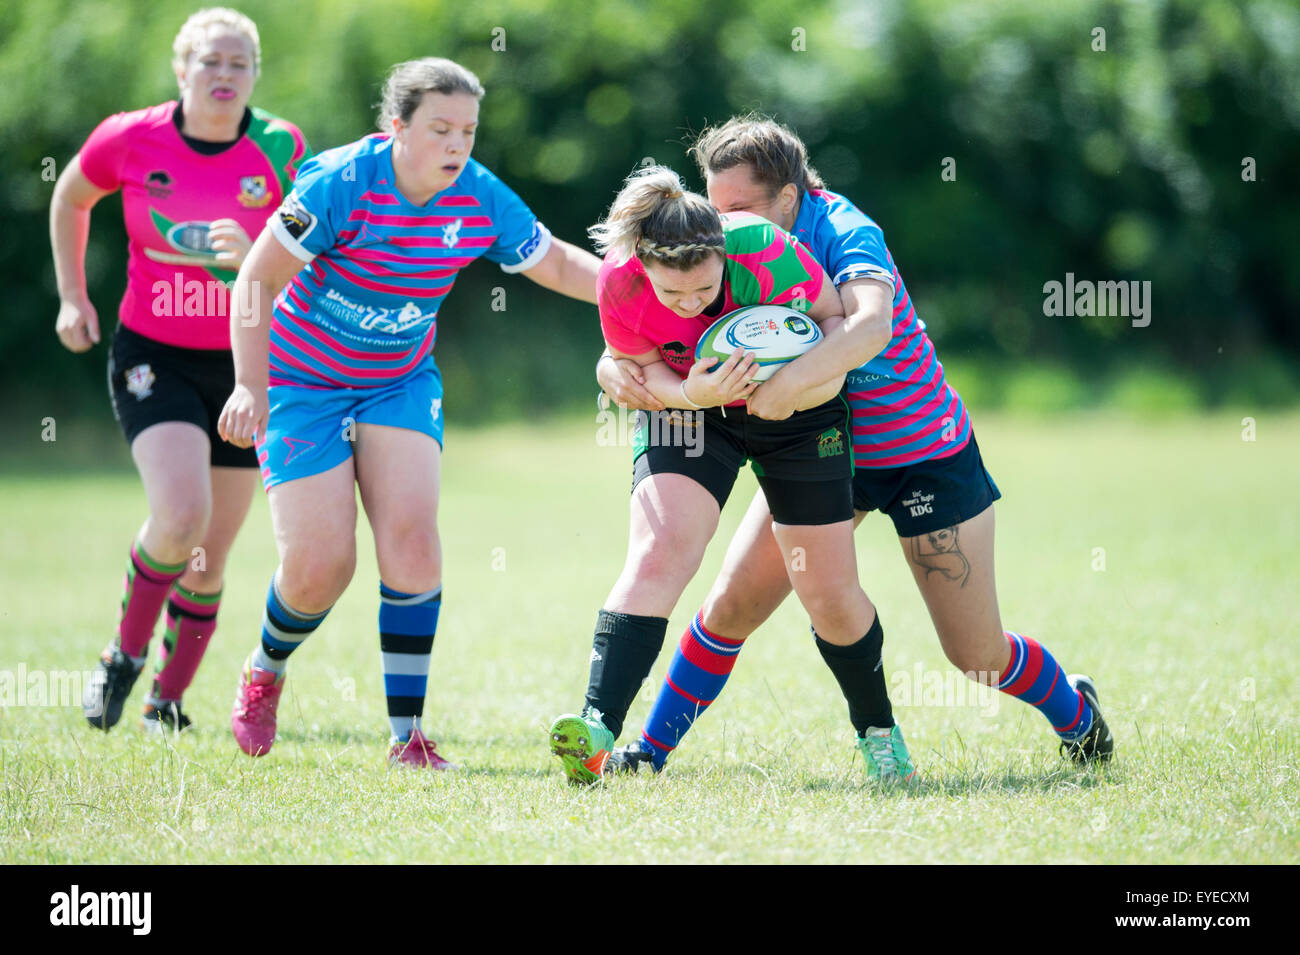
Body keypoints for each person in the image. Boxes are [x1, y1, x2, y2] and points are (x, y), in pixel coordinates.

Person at [600, 116, 1113, 775]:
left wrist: (785, 385)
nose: (714, 224)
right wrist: (619, 371)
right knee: (731, 604)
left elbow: (870, 326)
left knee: (975, 651)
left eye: (735, 208)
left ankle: (1076, 712)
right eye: (710, 205)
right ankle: (648, 752)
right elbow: (646, 325)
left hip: (922, 456)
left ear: (788, 198)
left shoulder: (842, 230)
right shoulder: (722, 253)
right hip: (823, 451)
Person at [217, 57, 602, 769]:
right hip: (301, 383)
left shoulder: (480, 197)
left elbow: (552, 262)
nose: (457, 145)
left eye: (468, 131)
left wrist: (635, 292)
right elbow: (256, 277)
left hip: (398, 381)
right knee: (319, 566)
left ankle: (407, 737)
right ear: (395, 127)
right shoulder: (340, 184)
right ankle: (264, 669)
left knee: (415, 545)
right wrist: (249, 384)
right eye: (440, 129)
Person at [548, 164, 917, 785]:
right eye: (673, 295)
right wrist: (693, 393)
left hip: (798, 414)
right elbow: (634, 371)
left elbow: (834, 323)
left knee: (827, 593)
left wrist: (797, 389)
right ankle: (595, 727)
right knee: (659, 552)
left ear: (724, 249)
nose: (689, 303)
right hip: (690, 410)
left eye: (703, 289)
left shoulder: (767, 248)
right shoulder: (618, 280)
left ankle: (878, 732)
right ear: (643, 267)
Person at [51, 8, 309, 735]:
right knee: (179, 514)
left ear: (255, 73)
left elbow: (320, 250)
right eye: (211, 62)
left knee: (206, 556)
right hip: (153, 355)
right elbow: (71, 195)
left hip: (247, 362)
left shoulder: (283, 149)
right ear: (181, 69)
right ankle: (122, 656)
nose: (224, 75)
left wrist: (255, 248)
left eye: (239, 64)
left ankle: (167, 700)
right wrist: (74, 296)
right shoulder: (131, 137)